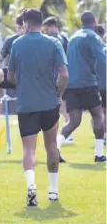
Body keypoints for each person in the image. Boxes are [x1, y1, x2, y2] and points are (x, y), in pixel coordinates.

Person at [7, 8, 69, 206]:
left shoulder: (17, 43)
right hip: (49, 103)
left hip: (26, 104)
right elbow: (65, 74)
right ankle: (53, 191)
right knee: (51, 146)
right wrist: (58, 94)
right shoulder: (54, 42)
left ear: (25, 22)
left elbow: (9, 76)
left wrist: (22, 83)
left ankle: (32, 186)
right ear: (41, 23)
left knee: (28, 149)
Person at [57, 11, 106, 163]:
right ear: (95, 21)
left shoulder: (73, 37)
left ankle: (55, 149)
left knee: (74, 121)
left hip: (71, 85)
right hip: (88, 84)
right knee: (98, 115)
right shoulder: (93, 36)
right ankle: (99, 154)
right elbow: (102, 59)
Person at [42, 16, 74, 144]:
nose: (46, 31)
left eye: (47, 29)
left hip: (59, 75)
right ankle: (68, 131)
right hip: (67, 73)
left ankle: (68, 133)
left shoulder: (56, 39)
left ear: (53, 26)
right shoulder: (65, 37)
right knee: (62, 104)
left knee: (60, 103)